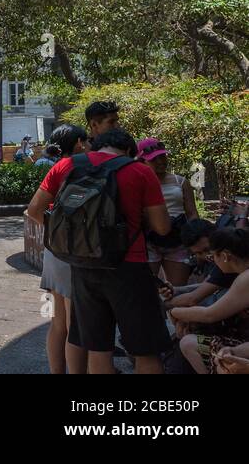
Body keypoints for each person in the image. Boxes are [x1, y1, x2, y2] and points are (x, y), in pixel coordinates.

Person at [26, 127, 171, 375]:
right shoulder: (139, 171)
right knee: (145, 350)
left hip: (83, 267)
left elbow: (34, 210)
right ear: (128, 150)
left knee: (97, 348)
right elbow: (162, 227)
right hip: (129, 268)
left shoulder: (66, 166)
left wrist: (68, 240)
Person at [29, 124, 89, 374]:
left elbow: (34, 211)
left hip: (55, 253)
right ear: (78, 143)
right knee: (77, 324)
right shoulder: (82, 166)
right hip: (78, 254)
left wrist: (57, 234)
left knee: (58, 323)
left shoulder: (57, 167)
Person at [171, 228, 249, 374]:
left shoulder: (245, 278)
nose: (212, 261)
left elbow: (209, 314)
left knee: (189, 343)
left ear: (225, 256)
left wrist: (174, 312)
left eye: (213, 256)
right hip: (242, 343)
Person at [134, 137, 198, 286]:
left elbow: (191, 212)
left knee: (178, 289)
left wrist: (194, 238)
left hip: (178, 240)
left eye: (162, 156)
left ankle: (175, 310)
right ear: (143, 161)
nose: (160, 161)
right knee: (146, 288)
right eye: (154, 159)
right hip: (149, 241)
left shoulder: (180, 181)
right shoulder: (138, 183)